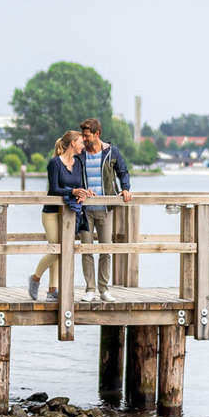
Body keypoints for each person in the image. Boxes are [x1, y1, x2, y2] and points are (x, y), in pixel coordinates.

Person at [71, 117, 132, 302]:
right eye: (83, 134)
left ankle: (104, 289)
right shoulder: (80, 154)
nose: (84, 138)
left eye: (87, 135)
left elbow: (123, 171)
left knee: (106, 249)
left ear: (97, 134)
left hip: (105, 208)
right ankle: (90, 289)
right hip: (85, 209)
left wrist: (126, 188)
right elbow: (72, 176)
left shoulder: (111, 152)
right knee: (86, 249)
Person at [28, 130, 86, 301]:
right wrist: (73, 191)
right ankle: (36, 278)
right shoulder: (54, 163)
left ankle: (53, 290)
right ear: (73, 143)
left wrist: (83, 192)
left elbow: (80, 184)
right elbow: (54, 189)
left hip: (68, 213)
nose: (83, 146)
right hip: (52, 212)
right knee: (56, 248)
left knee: (61, 248)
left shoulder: (79, 163)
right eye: (81, 142)